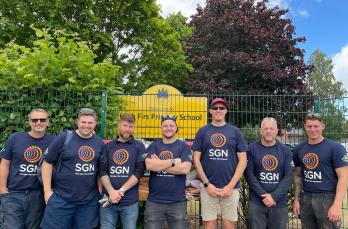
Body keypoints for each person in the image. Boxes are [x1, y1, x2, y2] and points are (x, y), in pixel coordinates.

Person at [40, 108, 104, 229]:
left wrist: (99, 193)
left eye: (90, 123)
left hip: (88, 203)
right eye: (83, 122)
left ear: (95, 124)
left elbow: (101, 170)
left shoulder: (99, 143)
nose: (86, 125)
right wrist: (47, 192)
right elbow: (47, 163)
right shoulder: (64, 138)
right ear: (77, 122)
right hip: (61, 199)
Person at [192, 98, 247, 229]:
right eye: (215, 108)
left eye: (221, 108)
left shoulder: (235, 132)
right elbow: (196, 160)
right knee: (209, 224)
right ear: (210, 111)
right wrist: (207, 184)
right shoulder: (202, 131)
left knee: (229, 224)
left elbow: (243, 161)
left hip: (231, 188)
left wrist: (230, 186)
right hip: (208, 188)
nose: (218, 110)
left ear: (226, 110)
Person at [0, 108, 54, 229]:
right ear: (29, 122)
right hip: (13, 193)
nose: (38, 122)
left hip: (37, 194)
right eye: (35, 120)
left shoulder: (54, 141)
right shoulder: (15, 138)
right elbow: (4, 164)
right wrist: (2, 189)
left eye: (42, 119)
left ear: (47, 122)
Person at [293, 112, 348, 229]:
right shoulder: (299, 149)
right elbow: (298, 176)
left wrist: (337, 205)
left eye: (316, 126)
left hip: (327, 198)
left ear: (323, 126)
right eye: (309, 126)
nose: (312, 129)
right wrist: (296, 200)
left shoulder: (336, 148)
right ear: (305, 127)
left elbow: (344, 177)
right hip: (306, 198)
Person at [245, 117, 294, 229]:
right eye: (265, 128)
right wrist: (263, 195)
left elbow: (288, 176)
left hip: (279, 203)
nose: (268, 131)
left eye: (272, 128)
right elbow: (249, 174)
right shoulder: (251, 149)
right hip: (256, 202)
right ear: (260, 130)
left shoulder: (285, 150)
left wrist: (273, 197)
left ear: (277, 131)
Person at [98, 114, 146, 229]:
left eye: (130, 126)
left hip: (129, 202)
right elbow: (102, 170)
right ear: (119, 126)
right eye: (125, 125)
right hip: (108, 200)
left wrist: (120, 191)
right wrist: (111, 192)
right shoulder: (108, 146)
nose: (127, 129)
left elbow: (139, 171)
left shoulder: (139, 147)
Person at [144, 115, 192, 229]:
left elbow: (185, 169)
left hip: (177, 202)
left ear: (176, 128)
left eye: (171, 125)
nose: (168, 128)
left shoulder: (183, 147)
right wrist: (174, 161)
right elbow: (149, 165)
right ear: (161, 128)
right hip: (154, 202)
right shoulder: (154, 146)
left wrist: (159, 164)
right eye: (165, 126)